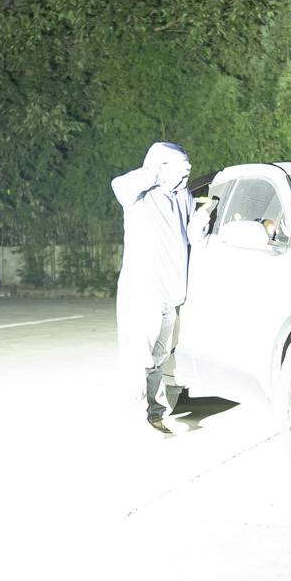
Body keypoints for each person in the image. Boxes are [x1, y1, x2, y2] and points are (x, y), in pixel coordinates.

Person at [111, 141, 193, 432]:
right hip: (143, 289)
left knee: (159, 357)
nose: (185, 172)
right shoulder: (139, 194)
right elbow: (118, 186)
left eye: (186, 165)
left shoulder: (183, 196)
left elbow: (190, 232)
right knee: (139, 355)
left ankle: (156, 415)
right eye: (178, 165)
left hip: (171, 292)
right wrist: (157, 173)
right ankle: (137, 417)